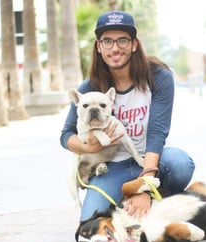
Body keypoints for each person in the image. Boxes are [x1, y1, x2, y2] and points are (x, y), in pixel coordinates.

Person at [60, 11, 195, 222]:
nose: (115, 48)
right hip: (113, 166)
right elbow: (66, 134)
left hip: (151, 160)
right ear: (99, 47)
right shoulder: (89, 88)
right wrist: (88, 147)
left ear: (134, 44)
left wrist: (145, 186)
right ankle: (127, 202)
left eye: (122, 40)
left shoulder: (158, 77)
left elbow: (157, 131)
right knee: (89, 221)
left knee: (179, 163)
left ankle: (160, 199)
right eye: (107, 41)